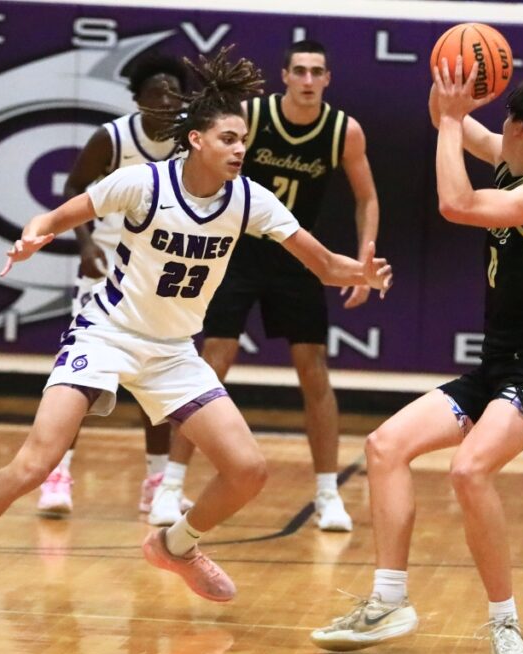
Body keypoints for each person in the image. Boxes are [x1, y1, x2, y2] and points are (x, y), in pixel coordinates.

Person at [0, 47, 393, 623]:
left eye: (242, 139)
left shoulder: (250, 199)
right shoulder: (139, 184)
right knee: (35, 463)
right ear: (196, 140)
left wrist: (359, 271)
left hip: (172, 353)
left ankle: (175, 545)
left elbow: (321, 265)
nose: (240, 148)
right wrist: (31, 238)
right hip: (107, 334)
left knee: (249, 470)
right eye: (227, 139)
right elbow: (57, 216)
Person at [310, 57, 523, 654]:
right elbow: (451, 125)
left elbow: (455, 203)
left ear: (517, 127)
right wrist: (448, 96)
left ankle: (505, 623)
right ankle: (388, 602)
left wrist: (454, 118)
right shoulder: (516, 160)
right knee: (385, 446)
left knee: (469, 472)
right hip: (498, 366)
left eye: (505, 118)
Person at [148, 40, 380, 532]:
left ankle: (326, 495)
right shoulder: (251, 117)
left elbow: (367, 197)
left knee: (313, 370)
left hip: (297, 258)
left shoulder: (343, 130)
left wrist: (364, 256)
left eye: (318, 71)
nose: (309, 79)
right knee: (211, 361)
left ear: (328, 79)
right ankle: (170, 487)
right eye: (300, 70)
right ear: (285, 76)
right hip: (238, 253)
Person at [37, 53, 193, 517]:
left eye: (172, 92)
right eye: (155, 92)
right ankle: (57, 475)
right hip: (106, 269)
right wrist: (84, 245)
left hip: (158, 274)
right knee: (82, 378)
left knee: (157, 384)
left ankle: (157, 482)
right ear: (137, 100)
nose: (165, 100)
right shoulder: (113, 138)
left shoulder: (191, 142)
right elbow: (72, 189)